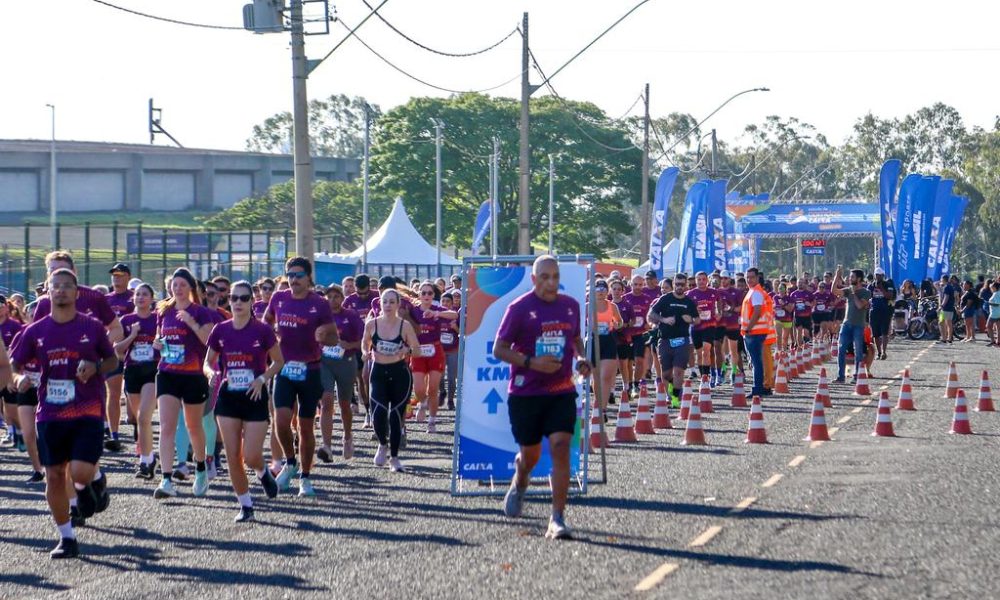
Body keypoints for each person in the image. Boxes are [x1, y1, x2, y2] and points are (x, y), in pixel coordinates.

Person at [11, 268, 116, 559]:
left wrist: (95, 367)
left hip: (87, 409)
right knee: (55, 476)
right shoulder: (35, 331)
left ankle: (90, 483)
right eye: (55, 286)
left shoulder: (92, 326)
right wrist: (18, 380)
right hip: (51, 413)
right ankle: (66, 537)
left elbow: (111, 359)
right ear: (48, 292)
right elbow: (15, 365)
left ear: (76, 292)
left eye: (66, 286)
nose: (60, 291)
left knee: (80, 470)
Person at [493, 256, 590, 540]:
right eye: (545, 277)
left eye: (555, 276)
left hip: (561, 391)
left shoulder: (570, 306)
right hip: (526, 392)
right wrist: (531, 362)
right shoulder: (519, 308)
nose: (551, 282)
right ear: (534, 279)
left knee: (561, 446)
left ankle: (557, 518)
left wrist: (582, 358)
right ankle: (520, 480)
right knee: (531, 455)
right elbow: (500, 349)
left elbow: (575, 340)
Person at [205, 281, 284, 521]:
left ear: (252, 301)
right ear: (228, 300)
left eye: (243, 298)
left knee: (251, 455)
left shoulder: (262, 331)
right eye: (233, 298)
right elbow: (208, 362)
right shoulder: (221, 329)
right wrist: (212, 374)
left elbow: (278, 362)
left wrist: (262, 378)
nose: (238, 302)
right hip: (228, 396)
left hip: (254, 396)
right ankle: (246, 506)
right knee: (233, 456)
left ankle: (262, 472)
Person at [265, 257, 339, 497]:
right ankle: (290, 461)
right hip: (284, 369)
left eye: (298, 275)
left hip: (310, 369)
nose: (293, 279)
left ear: (309, 278)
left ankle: (305, 477)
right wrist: (270, 337)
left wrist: (322, 335)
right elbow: (265, 325)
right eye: (290, 274)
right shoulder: (279, 298)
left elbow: (334, 339)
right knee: (281, 420)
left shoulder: (319, 303)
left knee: (306, 427)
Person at [152, 268, 217, 499]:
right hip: (167, 372)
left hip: (193, 375)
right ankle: (166, 479)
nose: (177, 288)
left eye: (182, 284)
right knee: (166, 427)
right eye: (174, 284)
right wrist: (157, 344)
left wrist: (191, 322)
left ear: (190, 287)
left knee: (193, 426)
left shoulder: (200, 312)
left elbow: (209, 341)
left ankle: (200, 468)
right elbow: (160, 337)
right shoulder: (163, 310)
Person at [363, 288, 420, 472]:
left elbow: (417, 349)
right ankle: (382, 443)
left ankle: (394, 458)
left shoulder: (405, 326)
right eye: (384, 301)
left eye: (391, 302)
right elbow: (364, 345)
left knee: (396, 415)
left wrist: (406, 351)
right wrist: (366, 354)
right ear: (380, 303)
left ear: (398, 305)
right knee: (378, 413)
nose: (388, 305)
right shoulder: (372, 324)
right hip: (378, 371)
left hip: (399, 373)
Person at [114, 283, 160, 479]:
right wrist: (132, 335)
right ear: (133, 298)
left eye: (145, 294)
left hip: (152, 371)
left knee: (143, 418)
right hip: (132, 371)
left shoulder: (159, 319)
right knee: (136, 419)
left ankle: (144, 461)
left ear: (151, 299)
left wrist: (159, 346)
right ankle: (150, 458)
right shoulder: (126, 320)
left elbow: (168, 344)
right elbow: (117, 350)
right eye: (138, 294)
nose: (141, 297)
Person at [318, 284, 364, 462]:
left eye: (336, 296)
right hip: (325, 363)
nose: (332, 300)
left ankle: (347, 436)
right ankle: (327, 446)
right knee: (327, 401)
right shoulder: (320, 317)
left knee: (344, 404)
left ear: (342, 298)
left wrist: (349, 345)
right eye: (329, 297)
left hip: (346, 362)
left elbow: (363, 340)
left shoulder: (350, 316)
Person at [410, 281, 458, 432]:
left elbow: (454, 314)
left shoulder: (438, 308)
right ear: (419, 294)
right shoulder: (414, 311)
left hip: (435, 351)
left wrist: (437, 313)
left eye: (429, 293)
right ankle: (422, 403)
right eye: (423, 293)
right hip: (418, 351)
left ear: (433, 295)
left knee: (433, 388)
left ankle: (432, 420)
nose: (426, 296)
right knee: (418, 388)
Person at [647, 273, 699, 406]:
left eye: (682, 284)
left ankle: (675, 397)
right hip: (665, 340)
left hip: (682, 340)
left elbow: (698, 319)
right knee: (666, 374)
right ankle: (673, 386)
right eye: (677, 284)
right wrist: (664, 319)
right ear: (674, 284)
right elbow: (651, 314)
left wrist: (691, 320)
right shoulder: (665, 299)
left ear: (686, 285)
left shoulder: (689, 302)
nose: (679, 287)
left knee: (679, 371)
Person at [104, 263, 135, 450]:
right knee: (113, 393)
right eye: (114, 274)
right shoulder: (105, 300)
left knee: (133, 401)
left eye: (120, 274)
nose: (116, 277)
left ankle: (137, 427)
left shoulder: (135, 298)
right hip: (113, 352)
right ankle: (113, 434)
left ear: (128, 277)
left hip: (134, 353)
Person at [10, 328, 44, 483]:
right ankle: (37, 470)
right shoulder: (24, 334)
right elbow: (12, 363)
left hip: (47, 389)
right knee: (28, 432)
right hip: (27, 387)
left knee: (42, 431)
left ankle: (52, 465)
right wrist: (15, 379)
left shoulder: (57, 331)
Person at [590, 279, 624, 418]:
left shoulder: (612, 306)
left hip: (608, 341)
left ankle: (602, 409)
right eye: (598, 290)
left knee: (606, 377)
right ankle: (598, 403)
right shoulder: (588, 306)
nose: (601, 293)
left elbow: (620, 322)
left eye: (603, 290)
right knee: (596, 377)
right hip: (592, 341)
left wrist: (617, 325)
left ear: (607, 291)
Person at [740, 268, 776, 398]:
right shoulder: (754, 291)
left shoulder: (755, 293)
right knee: (758, 362)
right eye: (747, 277)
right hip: (757, 331)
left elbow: (757, 311)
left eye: (752, 277)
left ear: (757, 278)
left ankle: (758, 388)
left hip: (755, 332)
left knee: (756, 363)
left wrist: (748, 328)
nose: (749, 280)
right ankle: (762, 387)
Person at [832, 266, 872, 383]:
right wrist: (837, 276)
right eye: (850, 276)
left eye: (852, 277)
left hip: (858, 326)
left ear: (859, 279)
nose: (850, 279)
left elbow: (860, 306)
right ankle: (841, 376)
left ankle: (857, 376)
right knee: (841, 349)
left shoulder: (866, 292)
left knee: (858, 351)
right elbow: (834, 291)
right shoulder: (848, 290)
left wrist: (854, 294)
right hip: (846, 324)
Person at [621, 275, 654, 396]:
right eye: (635, 284)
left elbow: (651, 315)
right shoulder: (625, 298)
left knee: (640, 360)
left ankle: (636, 384)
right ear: (631, 284)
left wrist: (648, 323)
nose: (638, 287)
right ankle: (629, 384)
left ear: (643, 284)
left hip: (641, 334)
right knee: (628, 362)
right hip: (627, 335)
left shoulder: (647, 298)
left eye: (640, 284)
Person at [717, 271, 745, 383]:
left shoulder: (737, 292)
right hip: (720, 325)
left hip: (733, 324)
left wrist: (731, 309)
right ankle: (723, 370)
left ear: (730, 279)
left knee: (734, 350)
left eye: (726, 278)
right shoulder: (716, 291)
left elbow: (741, 308)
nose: (723, 280)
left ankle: (734, 372)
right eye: (722, 278)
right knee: (721, 350)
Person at [438, 292, 461, 411]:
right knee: (439, 377)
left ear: (452, 304)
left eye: (448, 301)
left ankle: (451, 400)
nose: (445, 303)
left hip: (453, 351)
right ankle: (442, 392)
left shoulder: (456, 316)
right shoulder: (437, 315)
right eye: (443, 301)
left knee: (452, 379)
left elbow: (463, 334)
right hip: (440, 351)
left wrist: (455, 327)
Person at [868, 268, 895, 359]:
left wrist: (881, 288)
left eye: (879, 275)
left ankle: (884, 352)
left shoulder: (888, 284)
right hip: (874, 312)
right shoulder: (871, 286)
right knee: (875, 334)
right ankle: (879, 352)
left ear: (883, 276)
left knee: (884, 333)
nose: (877, 277)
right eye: (876, 275)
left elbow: (890, 296)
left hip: (885, 312)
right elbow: (868, 297)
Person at [789, 277, 815, 349]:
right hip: (798, 316)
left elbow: (814, 302)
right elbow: (791, 305)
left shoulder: (808, 293)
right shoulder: (793, 294)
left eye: (801, 283)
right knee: (799, 331)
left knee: (806, 333)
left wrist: (809, 304)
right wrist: (791, 306)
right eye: (799, 283)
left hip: (807, 316)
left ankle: (806, 347)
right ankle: (799, 348)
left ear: (804, 284)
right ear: (797, 284)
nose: (800, 284)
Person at [986, 281, 1000, 346]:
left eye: (991, 287)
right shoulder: (998, 293)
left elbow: (997, 304)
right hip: (998, 312)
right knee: (998, 327)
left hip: (994, 313)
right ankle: (998, 341)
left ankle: (992, 341)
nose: (991, 289)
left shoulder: (996, 294)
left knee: (988, 326)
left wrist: (988, 303)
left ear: (994, 287)